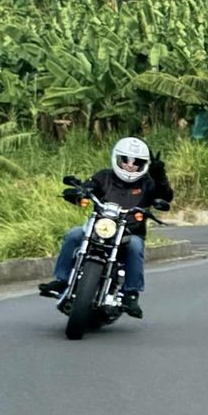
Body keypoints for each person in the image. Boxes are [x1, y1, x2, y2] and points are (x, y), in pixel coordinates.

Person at [38, 136, 174, 319]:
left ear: (143, 164)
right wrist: (79, 192)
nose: (130, 165)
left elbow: (165, 196)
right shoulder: (104, 176)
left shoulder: (147, 183)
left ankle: (131, 294)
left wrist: (160, 175)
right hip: (99, 227)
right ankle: (62, 280)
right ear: (117, 158)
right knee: (73, 234)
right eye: (126, 160)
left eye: (136, 162)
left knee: (135, 246)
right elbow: (89, 187)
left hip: (129, 231)